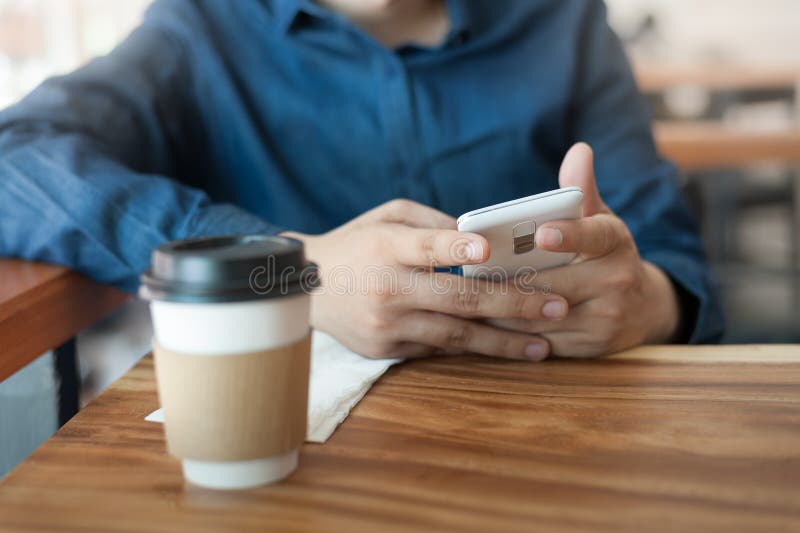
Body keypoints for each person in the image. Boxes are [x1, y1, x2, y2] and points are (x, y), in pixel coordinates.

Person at [0, 0, 724, 362]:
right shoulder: (200, 28)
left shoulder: (563, 18)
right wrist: (284, 272)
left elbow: (672, 260)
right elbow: (12, 158)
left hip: (563, 437)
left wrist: (648, 303)